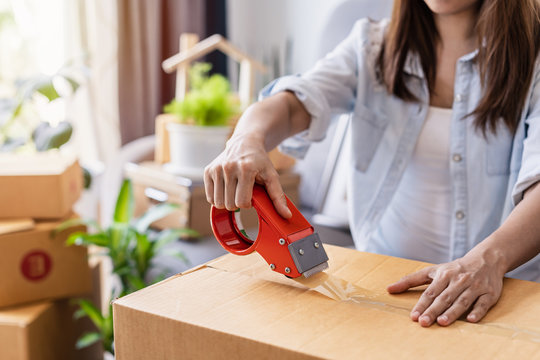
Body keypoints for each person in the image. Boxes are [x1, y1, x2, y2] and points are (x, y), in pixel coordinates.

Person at [204, 0, 540, 327]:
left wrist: (488, 261)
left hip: (502, 291)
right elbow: (295, 103)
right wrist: (245, 139)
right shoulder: (371, 45)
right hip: (386, 284)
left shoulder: (534, 57)